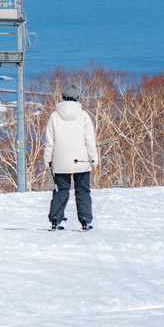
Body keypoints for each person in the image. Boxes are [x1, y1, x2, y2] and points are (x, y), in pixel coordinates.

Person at [44, 82, 99, 231]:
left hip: (60, 161)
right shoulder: (84, 116)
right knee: (82, 191)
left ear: (63, 97)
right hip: (82, 161)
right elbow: (89, 140)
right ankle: (85, 221)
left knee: (60, 191)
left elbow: (50, 141)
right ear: (77, 98)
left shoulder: (54, 116)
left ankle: (55, 219)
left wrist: (48, 159)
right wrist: (94, 159)